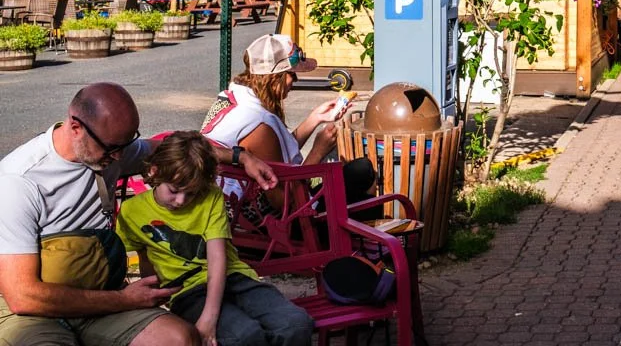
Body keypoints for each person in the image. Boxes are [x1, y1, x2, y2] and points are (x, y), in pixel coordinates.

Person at [0, 82, 276, 346]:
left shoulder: (107, 149)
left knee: (180, 339)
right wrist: (125, 299)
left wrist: (240, 157)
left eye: (125, 146)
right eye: (113, 149)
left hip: (102, 296)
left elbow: (177, 150)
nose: (121, 159)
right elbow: (23, 296)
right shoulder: (19, 181)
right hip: (36, 314)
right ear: (75, 127)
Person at [116, 132, 314, 346]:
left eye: (190, 193)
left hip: (234, 277)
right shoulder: (132, 211)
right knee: (243, 336)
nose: (181, 201)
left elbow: (217, 258)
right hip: (187, 292)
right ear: (155, 172)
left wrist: (209, 318)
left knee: (296, 324)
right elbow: (137, 261)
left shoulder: (210, 196)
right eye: (173, 191)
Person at [201, 34, 374, 215]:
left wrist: (315, 118)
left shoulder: (232, 98)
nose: (296, 80)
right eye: (292, 74)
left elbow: (274, 153)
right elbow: (284, 202)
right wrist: (318, 152)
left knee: (361, 169)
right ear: (274, 78)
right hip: (269, 223)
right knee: (369, 203)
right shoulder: (259, 123)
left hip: (235, 208)